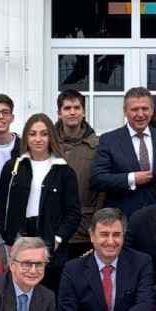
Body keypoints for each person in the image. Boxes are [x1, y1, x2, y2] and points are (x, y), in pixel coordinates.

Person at [0, 113, 80, 292]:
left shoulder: (64, 171)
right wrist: (5, 236)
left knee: (48, 294)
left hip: (50, 240)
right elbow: (0, 205)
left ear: (51, 137)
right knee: (17, 291)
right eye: (32, 134)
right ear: (26, 137)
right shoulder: (13, 167)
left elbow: (73, 213)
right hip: (18, 238)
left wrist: (57, 239)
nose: (38, 139)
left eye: (44, 134)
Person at [91, 87, 156, 218]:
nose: (140, 114)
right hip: (122, 218)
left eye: (145, 109)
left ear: (152, 111)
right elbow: (97, 179)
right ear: (125, 111)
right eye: (134, 109)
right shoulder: (109, 140)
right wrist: (131, 179)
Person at [54, 89, 105, 261]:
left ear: (83, 112)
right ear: (59, 113)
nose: (72, 112)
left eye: (77, 107)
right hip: (53, 227)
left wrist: (96, 222)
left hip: (85, 229)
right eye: (67, 108)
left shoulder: (98, 146)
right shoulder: (47, 144)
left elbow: (102, 188)